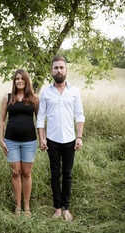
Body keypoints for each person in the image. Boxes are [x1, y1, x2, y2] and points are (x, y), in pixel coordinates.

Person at [36, 56, 85, 221]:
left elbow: (79, 115)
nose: (58, 70)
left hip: (71, 140)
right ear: (51, 71)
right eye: (55, 68)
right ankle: (57, 208)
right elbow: (40, 117)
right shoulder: (46, 92)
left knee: (68, 174)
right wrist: (42, 139)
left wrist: (79, 137)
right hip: (52, 141)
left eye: (61, 68)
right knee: (55, 174)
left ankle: (66, 208)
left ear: (66, 70)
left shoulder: (75, 91)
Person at [0, 69, 39, 217]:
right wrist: (1, 140)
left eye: (22, 78)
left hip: (29, 141)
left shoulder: (34, 99)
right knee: (15, 173)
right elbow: (2, 120)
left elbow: (39, 121)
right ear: (14, 81)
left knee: (26, 173)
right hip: (11, 141)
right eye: (17, 79)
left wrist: (43, 138)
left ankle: (27, 206)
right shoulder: (7, 98)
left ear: (26, 80)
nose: (19, 81)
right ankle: (18, 207)